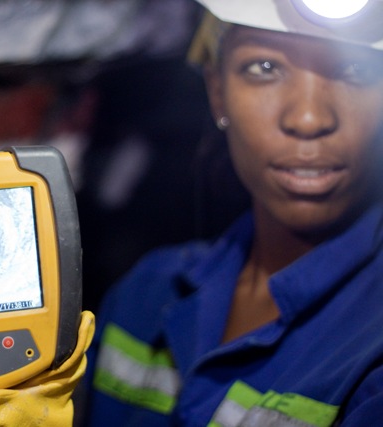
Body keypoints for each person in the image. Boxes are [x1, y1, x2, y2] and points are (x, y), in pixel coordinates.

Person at [80, 0, 383, 425]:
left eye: (358, 70)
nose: (309, 118)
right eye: (264, 67)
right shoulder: (144, 294)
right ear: (217, 91)